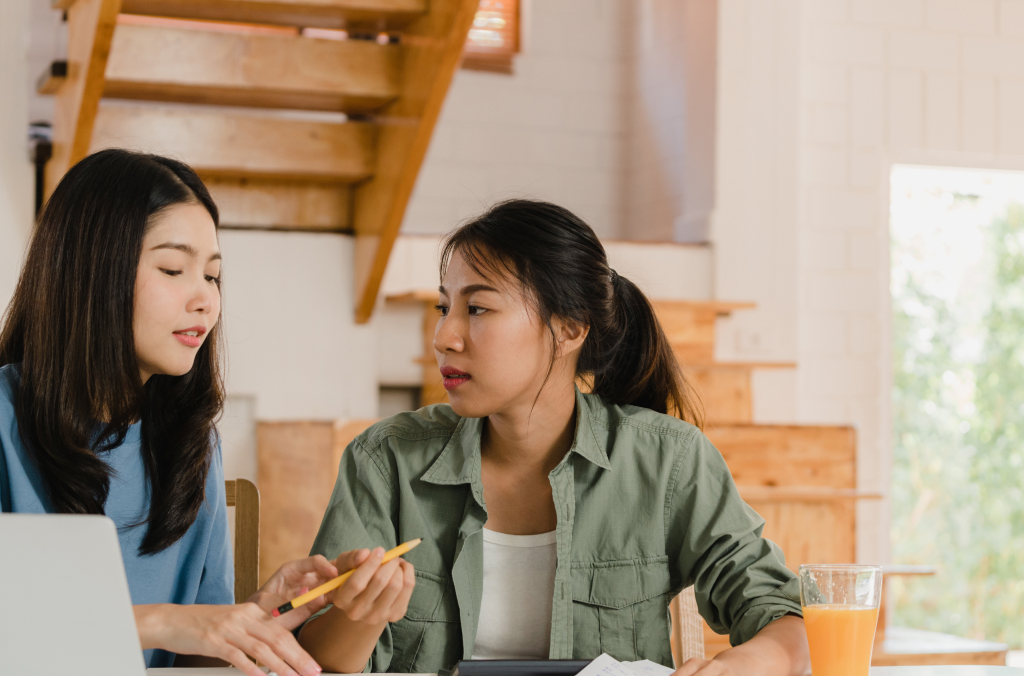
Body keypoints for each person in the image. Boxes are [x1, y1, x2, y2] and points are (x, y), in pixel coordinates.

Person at [299, 200, 812, 676]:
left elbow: (785, 622)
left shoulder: (669, 461)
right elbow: (312, 662)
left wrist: (740, 666)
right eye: (443, 308)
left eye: (476, 309)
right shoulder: (386, 461)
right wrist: (360, 615)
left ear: (569, 329)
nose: (444, 337)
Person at [0, 149, 410, 676]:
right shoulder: (6, 418)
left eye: (213, 277)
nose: (206, 302)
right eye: (174, 269)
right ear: (91, 271)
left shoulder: (190, 443)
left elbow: (186, 661)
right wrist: (163, 622)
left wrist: (253, 615)